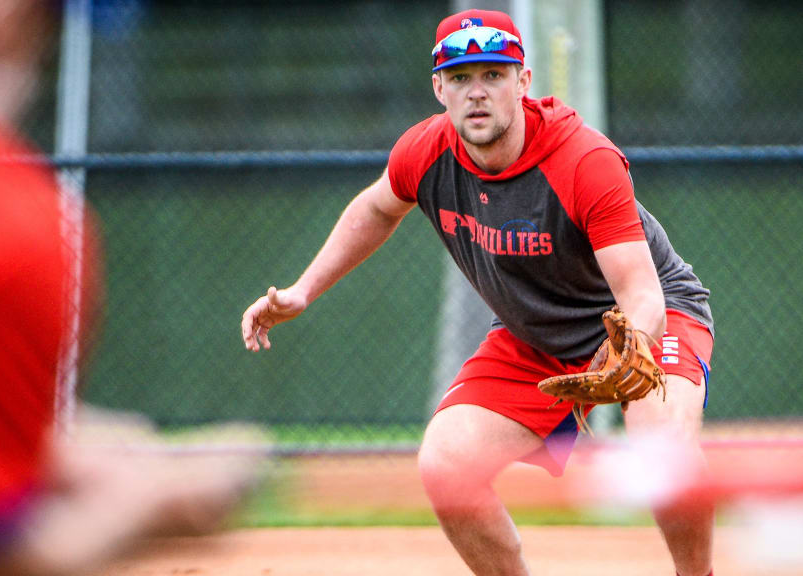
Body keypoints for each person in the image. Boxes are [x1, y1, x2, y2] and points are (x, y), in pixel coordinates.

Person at [242, 9, 714, 576]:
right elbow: (375, 206)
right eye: (461, 77)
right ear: (438, 88)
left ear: (523, 81)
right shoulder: (426, 151)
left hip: (652, 314)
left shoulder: (584, 162)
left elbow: (642, 293)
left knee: (661, 452)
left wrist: (633, 349)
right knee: (447, 465)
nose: (477, 92)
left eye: (493, 73)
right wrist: (301, 291)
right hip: (533, 337)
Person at [0, 1, 260, 574]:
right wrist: (151, 502)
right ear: (5, 25)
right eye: (43, 23)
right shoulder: (12, 228)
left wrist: (51, 445)